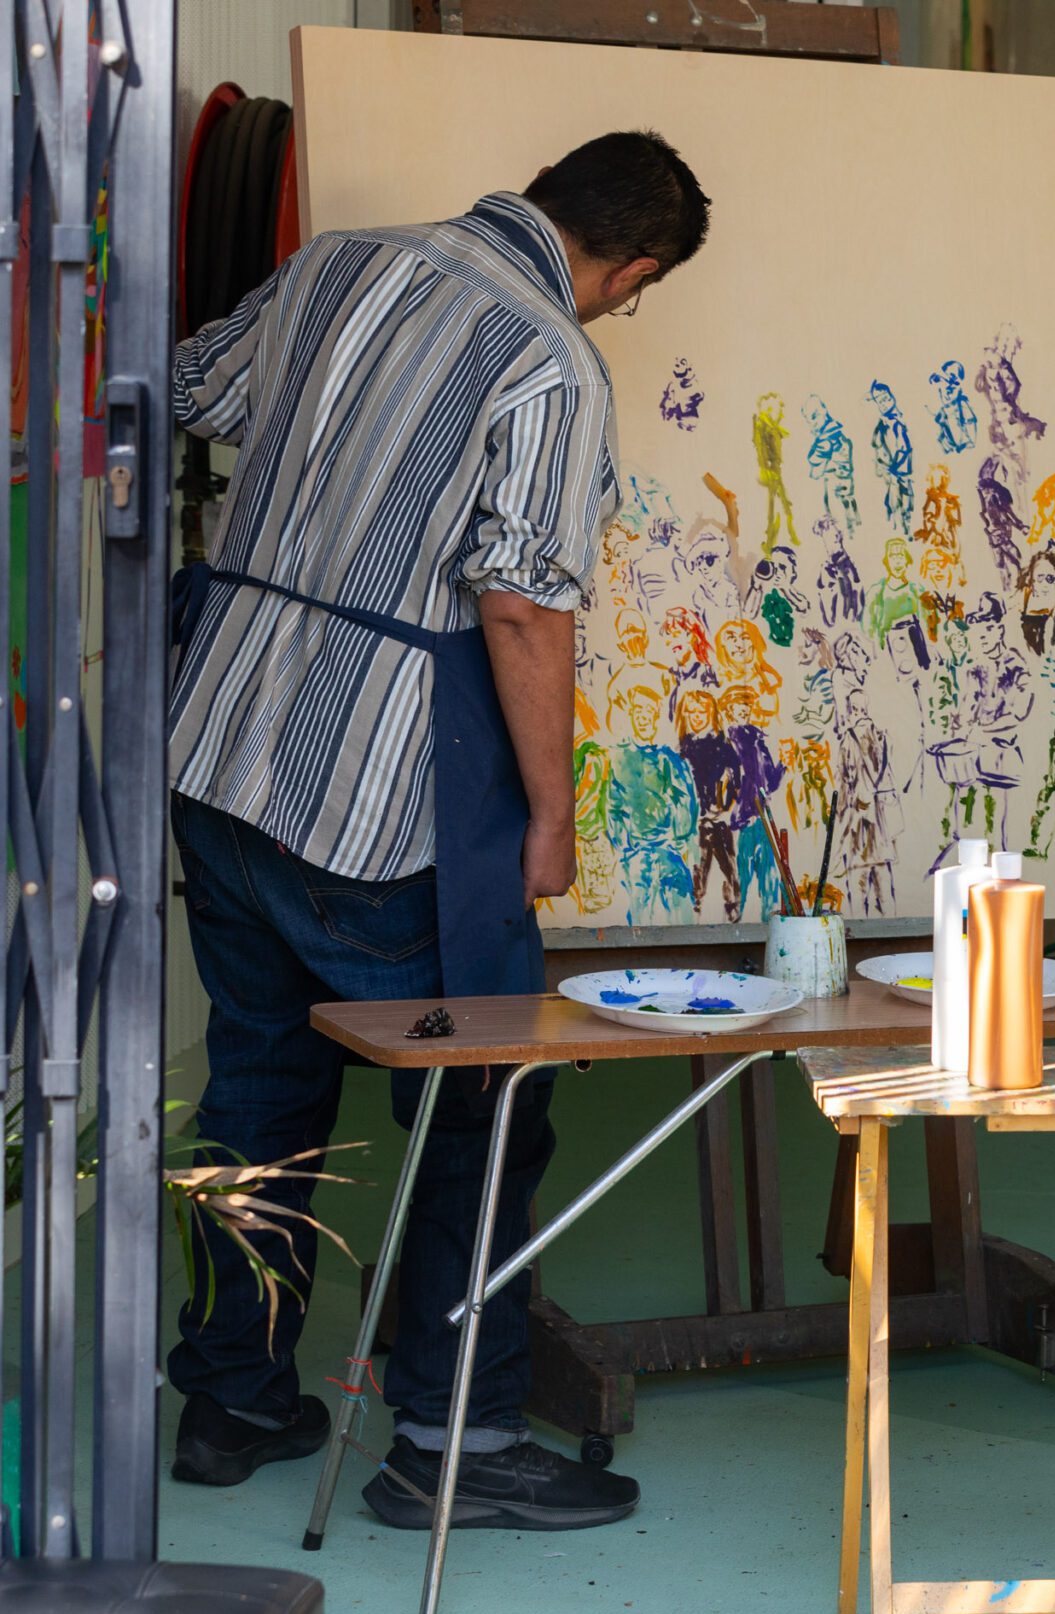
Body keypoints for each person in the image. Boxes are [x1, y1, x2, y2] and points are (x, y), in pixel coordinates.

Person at [165, 133, 711, 1529]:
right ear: (629, 269)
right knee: (476, 1111)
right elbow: (521, 602)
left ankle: (231, 1398)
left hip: (220, 746)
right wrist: (548, 809)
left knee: (259, 1088)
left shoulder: (337, 262)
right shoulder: (546, 356)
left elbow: (186, 394)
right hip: (375, 800)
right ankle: (446, 1439)